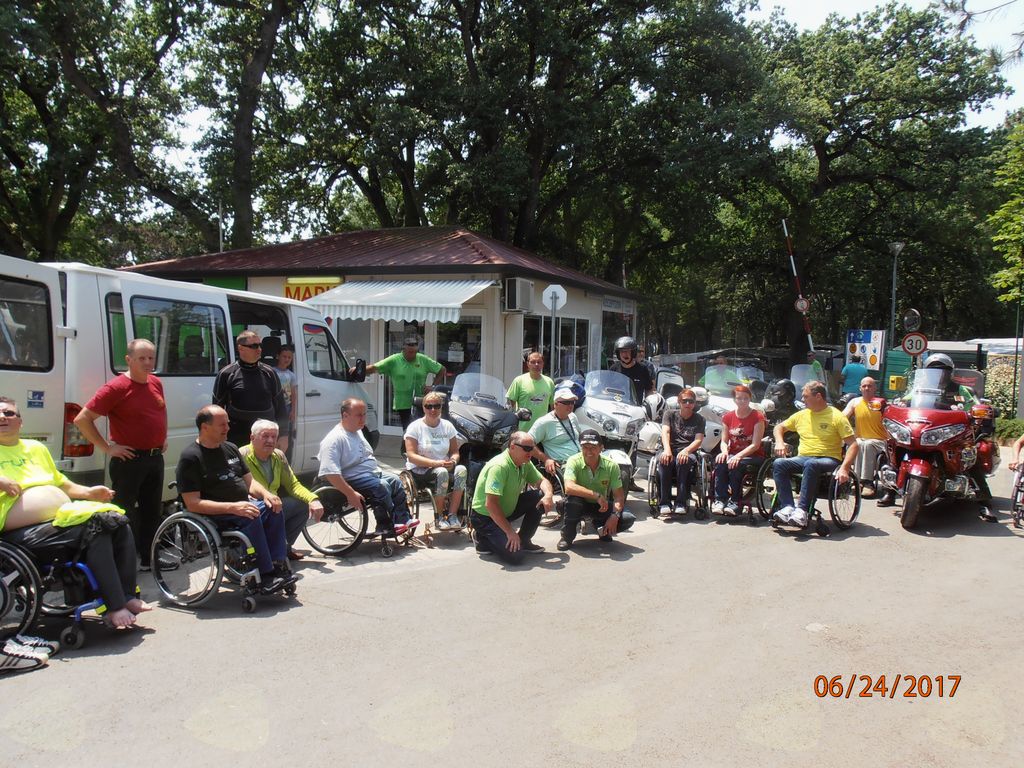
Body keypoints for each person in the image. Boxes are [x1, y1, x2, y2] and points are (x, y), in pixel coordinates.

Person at [1, 395, 150, 630]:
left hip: (56, 521)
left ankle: (127, 595)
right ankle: (114, 606)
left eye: (9, 413)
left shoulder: (36, 448)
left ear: (20, 421)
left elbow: (61, 483)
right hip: (19, 533)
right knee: (97, 528)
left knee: (118, 521)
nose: (3, 417)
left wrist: (89, 492)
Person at [176, 405, 297, 594]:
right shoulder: (191, 457)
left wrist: (267, 495)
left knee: (273, 508)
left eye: (227, 423)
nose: (227, 428)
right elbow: (193, 503)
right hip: (215, 514)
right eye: (222, 425)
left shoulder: (230, 448)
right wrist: (232, 508)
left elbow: (250, 483)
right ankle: (265, 574)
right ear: (205, 427)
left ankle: (278, 564)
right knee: (251, 514)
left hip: (242, 507)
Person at [74, 338, 168, 570]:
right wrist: (108, 447)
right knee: (123, 511)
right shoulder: (116, 387)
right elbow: (82, 419)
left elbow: (158, 412)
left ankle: (149, 559)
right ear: (128, 360)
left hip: (154, 458)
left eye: (151, 358)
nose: (147, 363)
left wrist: (162, 437)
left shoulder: (155, 382)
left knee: (151, 511)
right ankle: (121, 561)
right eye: (141, 358)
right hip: (129, 460)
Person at [317, 398, 418, 534]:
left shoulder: (357, 431)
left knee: (396, 481)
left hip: (370, 473)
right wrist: (350, 493)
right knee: (382, 486)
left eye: (364, 414)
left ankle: (403, 519)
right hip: (352, 478)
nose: (363, 419)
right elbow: (330, 473)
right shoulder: (334, 439)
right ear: (345, 415)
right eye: (359, 415)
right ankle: (385, 524)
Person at [772, 381, 858, 528]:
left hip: (829, 459)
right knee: (779, 463)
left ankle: (802, 511)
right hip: (804, 457)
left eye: (805, 396)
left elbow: (854, 445)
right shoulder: (801, 415)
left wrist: (845, 468)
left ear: (818, 396)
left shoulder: (836, 416)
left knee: (811, 464)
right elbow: (779, 427)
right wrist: (779, 442)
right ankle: (787, 507)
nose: (802, 399)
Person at [240, 419, 323, 561]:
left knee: (302, 505)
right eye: (265, 436)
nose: (270, 440)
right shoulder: (242, 455)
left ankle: (284, 548)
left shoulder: (278, 456)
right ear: (252, 438)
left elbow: (293, 485)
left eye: (274, 437)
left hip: (274, 504)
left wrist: (313, 499)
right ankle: (265, 553)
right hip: (253, 507)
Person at [470, 431, 554, 564]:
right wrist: (510, 532)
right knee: (516, 557)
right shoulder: (499, 466)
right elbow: (491, 504)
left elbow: (542, 481)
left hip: (506, 511)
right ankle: (482, 538)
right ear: (513, 447)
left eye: (532, 448)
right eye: (526, 448)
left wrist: (548, 495)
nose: (530, 453)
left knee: (540, 496)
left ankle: (524, 540)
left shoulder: (525, 463)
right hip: (486, 517)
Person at [557, 429, 634, 550]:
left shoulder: (611, 465)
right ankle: (567, 536)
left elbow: (619, 496)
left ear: (601, 448)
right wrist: (596, 495)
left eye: (593, 447)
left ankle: (601, 527)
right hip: (580, 504)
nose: (589, 451)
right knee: (573, 502)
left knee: (627, 518)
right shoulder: (573, 461)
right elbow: (569, 487)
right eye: (585, 447)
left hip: (601, 507)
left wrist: (615, 515)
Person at [213, 330, 288, 448]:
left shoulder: (269, 373)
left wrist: (284, 435)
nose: (259, 349)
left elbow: (281, 407)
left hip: (265, 436)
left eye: (260, 345)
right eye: (254, 346)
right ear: (241, 348)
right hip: (236, 437)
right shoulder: (226, 374)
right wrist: (218, 436)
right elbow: (217, 409)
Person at [404, 391, 466, 530]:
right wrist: (436, 463)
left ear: (441, 407)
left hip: (443, 465)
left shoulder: (447, 426)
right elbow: (411, 455)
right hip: (421, 469)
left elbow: (455, 452)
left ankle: (452, 515)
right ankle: (439, 517)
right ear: (423, 407)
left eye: (437, 406)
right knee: (442, 472)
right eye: (429, 406)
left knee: (462, 470)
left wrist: (453, 461)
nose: (433, 409)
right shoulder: (415, 427)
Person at [365, 337, 447, 431]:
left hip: (421, 401)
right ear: (403, 350)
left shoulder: (422, 359)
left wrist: (433, 386)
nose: (413, 355)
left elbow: (442, 369)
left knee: (422, 429)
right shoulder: (394, 360)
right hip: (403, 403)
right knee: (408, 429)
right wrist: (359, 370)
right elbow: (374, 368)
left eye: (415, 352)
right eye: (410, 352)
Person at [712, 385, 766, 516]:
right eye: (739, 398)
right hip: (732, 454)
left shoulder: (757, 417)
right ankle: (720, 499)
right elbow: (724, 441)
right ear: (734, 400)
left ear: (750, 399)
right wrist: (724, 452)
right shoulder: (728, 417)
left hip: (754, 456)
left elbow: (755, 445)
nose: (742, 401)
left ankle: (735, 501)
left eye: (745, 398)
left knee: (735, 464)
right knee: (720, 462)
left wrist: (738, 456)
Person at [656, 388, 705, 516]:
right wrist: (667, 450)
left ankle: (681, 502)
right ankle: (664, 502)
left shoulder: (700, 419)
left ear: (694, 403)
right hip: (670, 448)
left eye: (691, 401)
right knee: (664, 461)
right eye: (684, 401)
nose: (688, 404)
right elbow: (665, 432)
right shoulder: (669, 414)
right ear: (679, 402)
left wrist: (686, 451)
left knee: (683, 461)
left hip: (689, 451)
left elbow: (698, 440)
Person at [841, 377, 887, 499]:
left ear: (875, 388)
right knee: (858, 444)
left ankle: (867, 482)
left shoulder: (880, 403)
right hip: (862, 439)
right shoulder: (855, 402)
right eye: (864, 386)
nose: (867, 388)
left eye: (870, 386)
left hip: (880, 441)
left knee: (867, 444)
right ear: (860, 388)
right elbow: (842, 417)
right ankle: (857, 481)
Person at [528, 386, 582, 476]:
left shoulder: (573, 416)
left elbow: (579, 437)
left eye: (572, 402)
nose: (570, 405)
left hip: (581, 458)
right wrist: (546, 459)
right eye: (566, 402)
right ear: (556, 404)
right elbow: (527, 443)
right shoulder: (544, 422)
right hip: (564, 464)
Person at [506, 351, 554, 432]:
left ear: (543, 364)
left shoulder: (549, 382)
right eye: (533, 362)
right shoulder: (519, 381)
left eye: (539, 362)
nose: (536, 364)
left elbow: (553, 407)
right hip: (523, 431)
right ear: (528, 364)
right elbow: (510, 406)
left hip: (543, 431)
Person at [609, 336, 654, 401]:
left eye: (628, 351)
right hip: (616, 404)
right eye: (622, 351)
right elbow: (606, 389)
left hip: (635, 406)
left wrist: (649, 402)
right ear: (618, 354)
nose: (625, 354)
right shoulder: (613, 369)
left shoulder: (642, 369)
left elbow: (649, 390)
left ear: (633, 353)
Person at [273, 344, 298, 456]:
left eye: (289, 357)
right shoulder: (272, 371)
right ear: (278, 356)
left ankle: (281, 455)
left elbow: (293, 394)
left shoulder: (291, 375)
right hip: (274, 406)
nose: (287, 359)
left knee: (284, 433)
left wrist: (293, 410)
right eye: (284, 356)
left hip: (286, 407)